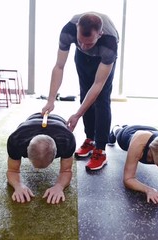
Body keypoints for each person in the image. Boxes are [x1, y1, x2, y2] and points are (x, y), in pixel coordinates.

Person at [41, 12, 119, 171]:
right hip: (83, 59)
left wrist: (77, 115)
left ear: (100, 34)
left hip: (102, 58)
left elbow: (98, 84)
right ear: (77, 28)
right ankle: (90, 139)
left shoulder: (109, 44)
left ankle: (100, 149)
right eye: (80, 41)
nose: (83, 46)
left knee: (102, 98)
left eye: (88, 43)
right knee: (84, 94)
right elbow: (59, 66)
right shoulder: (68, 31)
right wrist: (51, 100)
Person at [6, 113, 76, 204]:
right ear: (26, 151)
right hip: (31, 119)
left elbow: (66, 170)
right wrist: (18, 185)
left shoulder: (67, 139)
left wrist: (59, 186)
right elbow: (12, 170)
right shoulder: (16, 139)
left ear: (56, 154)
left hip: (59, 120)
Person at [109, 125, 158, 204]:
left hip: (152, 131)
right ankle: (116, 128)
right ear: (153, 153)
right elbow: (128, 179)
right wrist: (149, 190)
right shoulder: (138, 143)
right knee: (119, 134)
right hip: (129, 134)